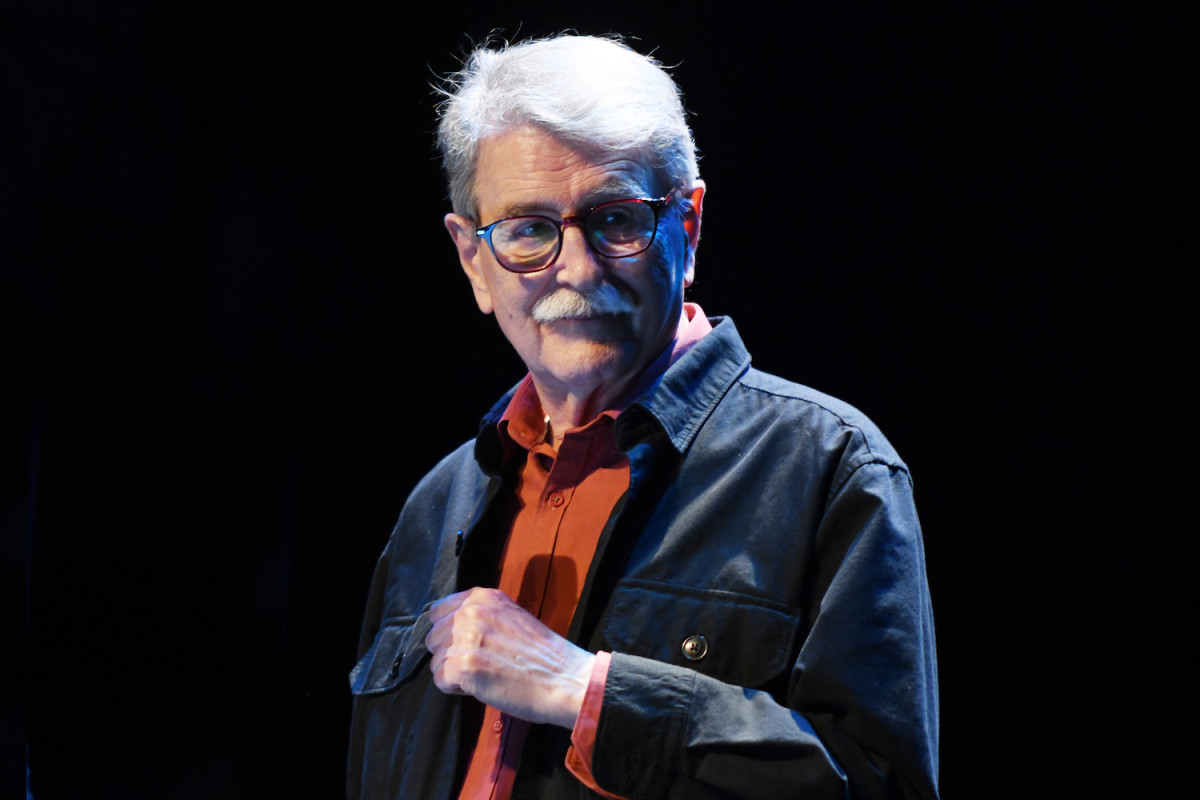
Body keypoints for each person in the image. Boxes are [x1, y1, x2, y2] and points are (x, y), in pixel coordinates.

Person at [347, 34, 939, 800]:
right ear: (473, 263)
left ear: (687, 227)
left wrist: (585, 691)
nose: (577, 268)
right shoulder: (434, 508)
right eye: (528, 230)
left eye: (617, 219)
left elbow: (880, 787)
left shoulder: (831, 469)